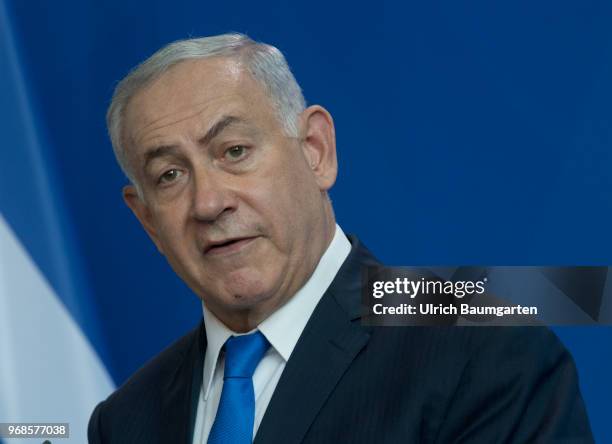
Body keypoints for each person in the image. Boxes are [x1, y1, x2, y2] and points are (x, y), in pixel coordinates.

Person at [88, 33, 593, 443]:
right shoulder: (125, 421)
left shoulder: (483, 351)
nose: (208, 202)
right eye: (170, 176)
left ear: (316, 150)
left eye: (235, 151)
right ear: (148, 221)